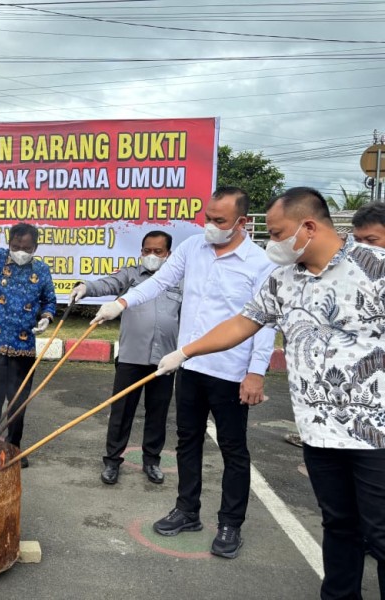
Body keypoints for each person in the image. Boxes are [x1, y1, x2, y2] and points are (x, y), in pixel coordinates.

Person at [156, 187, 384, 598]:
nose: (271, 243)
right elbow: (243, 324)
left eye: (277, 233)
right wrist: (184, 352)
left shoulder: (376, 267)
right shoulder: (284, 279)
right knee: (339, 526)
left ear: (308, 227)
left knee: (381, 535)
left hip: (375, 434)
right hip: (318, 432)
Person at [91, 186, 276, 559]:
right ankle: (187, 510)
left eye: (219, 220)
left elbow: (266, 321)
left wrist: (256, 373)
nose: (210, 225)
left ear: (242, 222)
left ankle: (229, 524)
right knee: (187, 441)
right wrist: (120, 303)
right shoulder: (193, 249)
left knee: (232, 450)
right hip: (188, 365)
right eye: (208, 217)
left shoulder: (260, 263)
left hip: (231, 371)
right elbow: (158, 282)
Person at [70, 231, 180, 486]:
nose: (152, 256)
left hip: (164, 361)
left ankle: (151, 461)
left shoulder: (179, 280)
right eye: (147, 251)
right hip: (132, 357)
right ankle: (112, 462)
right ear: (141, 252)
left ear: (169, 255)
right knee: (121, 413)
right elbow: (107, 284)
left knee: (157, 413)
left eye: (158, 252)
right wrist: (85, 288)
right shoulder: (131, 275)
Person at [284, 200, 385, 449]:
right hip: (332, 430)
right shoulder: (339, 274)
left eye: (371, 241)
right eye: (358, 240)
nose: (362, 249)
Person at [0, 222, 56, 469]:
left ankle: (14, 448)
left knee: (17, 403)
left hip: (23, 347)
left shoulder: (41, 271)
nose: (20, 251)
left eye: (26, 248)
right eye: (16, 246)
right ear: (9, 244)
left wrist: (46, 318)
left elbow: (49, 300)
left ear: (35, 247)